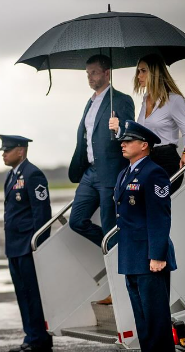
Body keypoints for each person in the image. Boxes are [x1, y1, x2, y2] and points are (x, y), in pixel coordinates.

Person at [114, 121, 177, 352]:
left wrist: (157, 255)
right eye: (123, 140)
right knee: (142, 316)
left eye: (129, 140)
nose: (123, 143)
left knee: (155, 315)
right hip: (131, 254)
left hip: (150, 256)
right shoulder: (124, 173)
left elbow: (160, 217)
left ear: (144, 145)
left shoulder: (154, 174)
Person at [69, 54, 135, 255]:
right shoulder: (89, 103)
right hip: (89, 172)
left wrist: (119, 129)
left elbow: (130, 134)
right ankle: (116, 248)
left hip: (111, 172)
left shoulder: (121, 100)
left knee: (110, 225)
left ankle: (118, 259)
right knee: (77, 221)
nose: (90, 77)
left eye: (94, 72)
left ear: (107, 73)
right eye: (87, 73)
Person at [0, 134, 53, 352]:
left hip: (27, 245)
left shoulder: (33, 174)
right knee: (22, 294)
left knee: (33, 294)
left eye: (7, 149)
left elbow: (42, 212)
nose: (3, 153)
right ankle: (30, 337)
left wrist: (38, 243)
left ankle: (40, 339)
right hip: (14, 245)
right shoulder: (12, 176)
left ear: (21, 151)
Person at [110, 53, 185, 194]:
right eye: (138, 71)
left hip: (166, 162)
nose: (139, 76)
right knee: (143, 207)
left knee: (155, 206)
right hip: (147, 161)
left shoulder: (174, 100)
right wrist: (119, 129)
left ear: (155, 73)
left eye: (143, 71)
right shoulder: (146, 99)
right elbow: (142, 133)